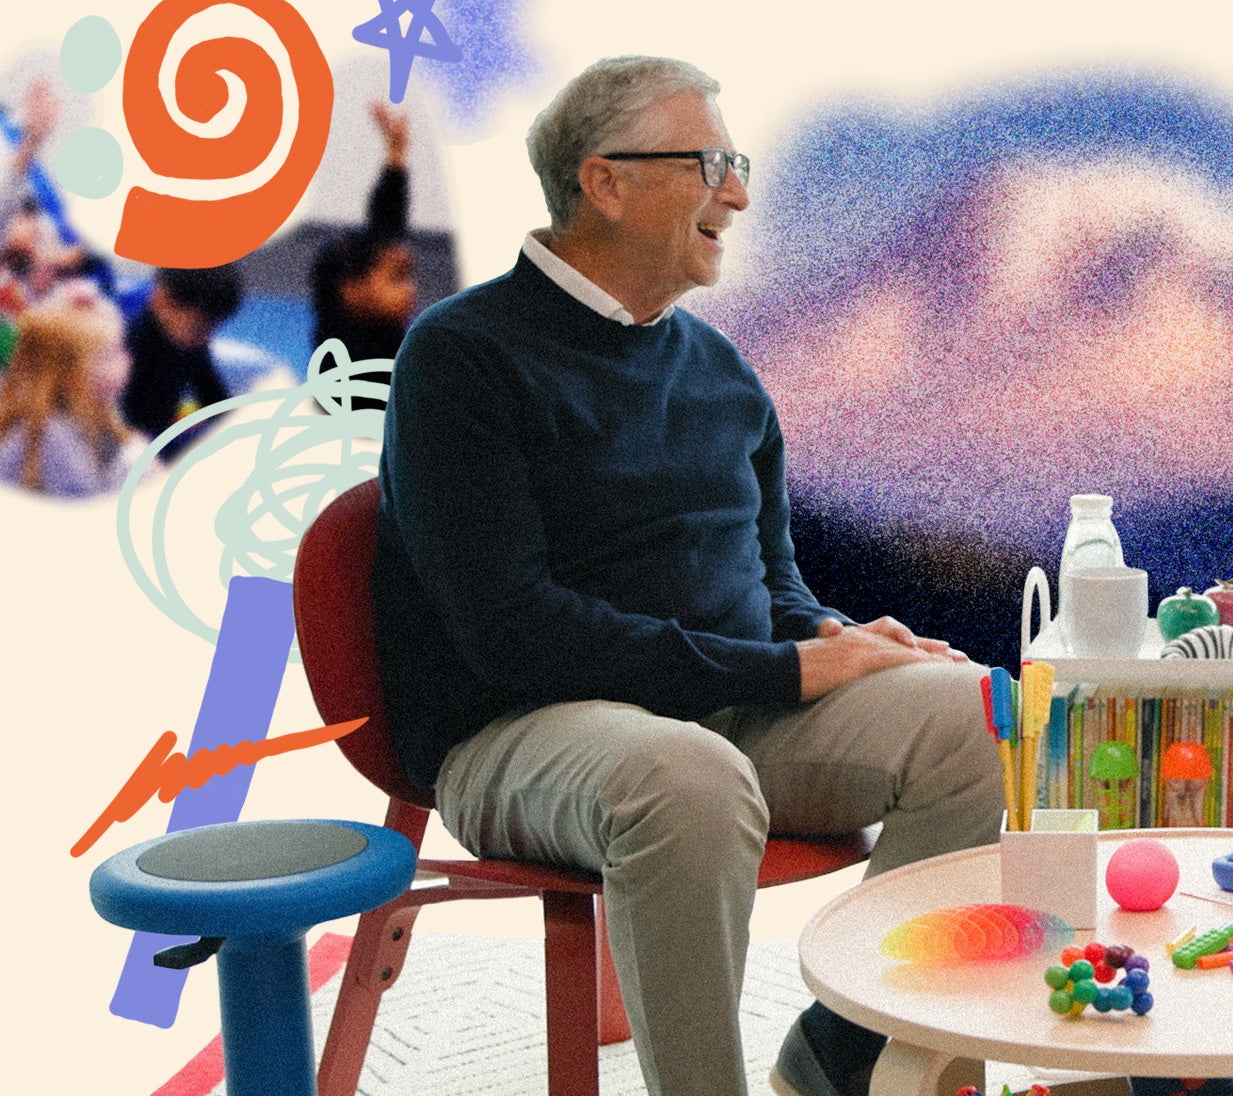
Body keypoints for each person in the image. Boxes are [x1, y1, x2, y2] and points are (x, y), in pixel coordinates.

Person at [374, 56, 1003, 1096]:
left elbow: (769, 581)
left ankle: (845, 1055)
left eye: (738, 163)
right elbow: (508, 630)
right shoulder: (461, 358)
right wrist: (781, 670)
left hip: (718, 707)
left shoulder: (720, 369)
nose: (741, 194)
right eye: (710, 162)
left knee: (976, 715)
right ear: (605, 182)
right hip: (521, 728)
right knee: (686, 777)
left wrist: (840, 644)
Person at [310, 101, 418, 369]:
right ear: (352, 292)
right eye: (396, 279)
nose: (411, 291)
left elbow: (387, 227)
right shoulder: (346, 362)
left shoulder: (384, 331)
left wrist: (396, 156)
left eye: (407, 277)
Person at [0, 292, 139, 498]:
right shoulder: (50, 434)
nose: (125, 362)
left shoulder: (98, 410)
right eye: (106, 357)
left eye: (120, 350)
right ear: (65, 373)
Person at [120, 264, 244, 455]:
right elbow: (118, 418)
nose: (204, 337)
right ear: (161, 301)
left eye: (211, 329)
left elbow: (211, 391)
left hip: (160, 432)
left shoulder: (192, 341)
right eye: (198, 328)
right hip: (131, 442)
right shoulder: (130, 343)